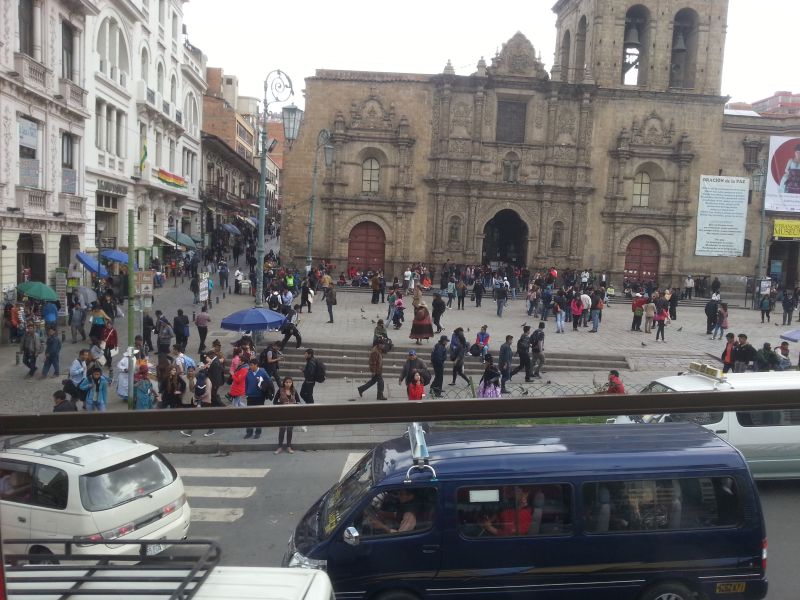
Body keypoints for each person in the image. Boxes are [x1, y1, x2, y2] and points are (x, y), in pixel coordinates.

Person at [273, 377, 301, 454]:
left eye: (290, 382)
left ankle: (289, 446)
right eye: (286, 382)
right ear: (284, 383)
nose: (288, 384)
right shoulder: (280, 390)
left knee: (289, 430)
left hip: (291, 413)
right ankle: (279, 447)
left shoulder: (294, 390)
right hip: (282, 413)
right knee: (282, 429)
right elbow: (274, 402)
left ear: (292, 383)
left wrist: (293, 404)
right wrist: (282, 404)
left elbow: (298, 402)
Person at [244, 359, 271, 439]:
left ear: (256, 365)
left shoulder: (262, 372)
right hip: (250, 396)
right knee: (249, 415)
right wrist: (246, 392)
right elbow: (246, 383)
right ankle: (249, 432)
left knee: (259, 415)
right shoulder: (248, 373)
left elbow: (268, 382)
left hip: (259, 396)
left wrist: (261, 381)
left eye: (251, 365)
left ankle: (258, 432)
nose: (250, 366)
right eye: (250, 365)